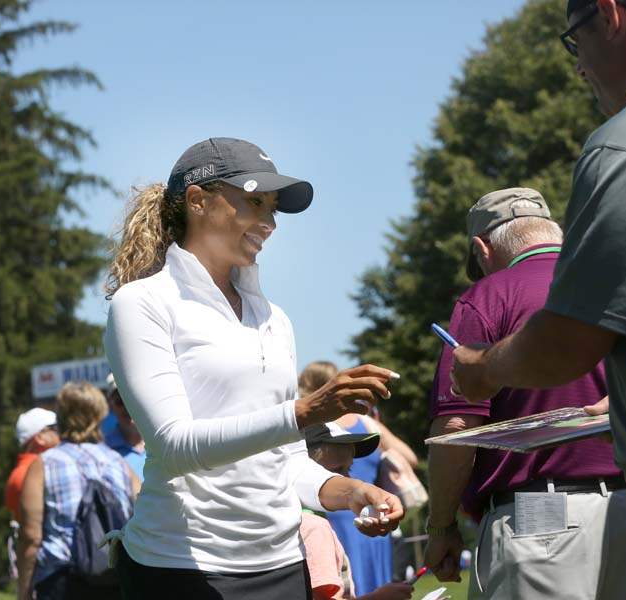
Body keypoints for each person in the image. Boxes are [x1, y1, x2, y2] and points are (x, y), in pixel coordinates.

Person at [450, 2, 626, 597]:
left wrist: (483, 367)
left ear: (611, 14)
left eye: (574, 41)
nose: (579, 68)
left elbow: (569, 341)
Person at [104, 137, 404, 599]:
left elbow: (281, 461)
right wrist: (306, 412)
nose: (268, 222)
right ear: (198, 201)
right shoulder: (141, 304)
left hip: (283, 564)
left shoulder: (274, 319)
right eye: (254, 201)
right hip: (181, 567)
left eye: (273, 209)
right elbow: (174, 445)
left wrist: (352, 493)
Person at [424, 188, 626, 599]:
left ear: (482, 248)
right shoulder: (619, 282)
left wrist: (441, 525)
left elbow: (457, 424)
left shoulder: (486, 296)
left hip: (541, 519)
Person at [299, 361, 418, 595]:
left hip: (363, 521)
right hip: (346, 524)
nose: (347, 479)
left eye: (349, 469)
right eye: (335, 472)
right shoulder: (314, 529)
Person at [16, 382, 140, 600]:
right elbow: (142, 513)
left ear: (61, 415)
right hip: (113, 578)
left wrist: (24, 591)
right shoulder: (119, 463)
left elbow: (31, 536)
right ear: (101, 414)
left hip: (61, 580)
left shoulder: (43, 465)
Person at [5, 407, 60, 521]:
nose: (60, 432)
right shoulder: (31, 473)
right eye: (54, 428)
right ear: (40, 438)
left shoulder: (21, 471)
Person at [103, 373, 145, 480]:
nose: (128, 407)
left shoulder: (162, 440)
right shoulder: (104, 450)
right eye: (120, 401)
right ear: (111, 406)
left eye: (132, 399)